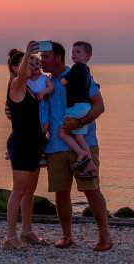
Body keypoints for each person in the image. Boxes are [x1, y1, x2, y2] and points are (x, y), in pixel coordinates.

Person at [39, 41, 112, 251]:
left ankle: (105, 237)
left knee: (91, 190)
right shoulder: (45, 83)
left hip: (84, 143)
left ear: (58, 58)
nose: (41, 61)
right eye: (41, 57)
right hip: (55, 146)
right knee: (61, 193)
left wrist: (79, 123)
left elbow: (99, 106)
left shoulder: (80, 75)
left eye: (45, 56)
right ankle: (67, 236)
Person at [3, 41, 48, 251]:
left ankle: (27, 231)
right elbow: (22, 75)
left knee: (30, 190)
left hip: (34, 144)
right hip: (21, 145)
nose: (32, 67)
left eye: (32, 63)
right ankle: (10, 236)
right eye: (27, 64)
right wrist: (29, 52)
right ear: (16, 68)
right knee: (19, 190)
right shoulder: (16, 84)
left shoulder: (30, 88)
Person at [59, 41, 97, 177]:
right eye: (73, 51)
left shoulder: (76, 68)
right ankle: (90, 165)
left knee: (62, 133)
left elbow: (63, 82)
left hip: (76, 106)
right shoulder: (87, 70)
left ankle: (81, 154)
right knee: (79, 136)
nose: (74, 54)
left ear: (87, 55)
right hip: (85, 106)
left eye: (78, 52)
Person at [27, 55, 54, 167]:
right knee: (30, 132)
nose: (35, 66)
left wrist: (43, 92)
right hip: (32, 111)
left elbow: (52, 87)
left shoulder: (44, 78)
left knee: (43, 132)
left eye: (37, 63)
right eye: (31, 65)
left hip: (43, 110)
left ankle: (43, 154)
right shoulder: (27, 81)